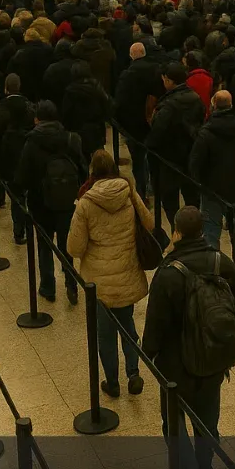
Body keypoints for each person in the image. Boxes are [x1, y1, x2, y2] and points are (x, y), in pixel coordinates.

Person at [142, 206, 235, 469]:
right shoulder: (220, 262)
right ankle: (205, 468)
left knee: (173, 425)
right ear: (201, 231)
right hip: (212, 361)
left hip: (175, 367)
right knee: (207, 423)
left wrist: (150, 354)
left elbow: (155, 324)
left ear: (176, 233)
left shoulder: (167, 273)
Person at [68, 150, 155, 399]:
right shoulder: (128, 190)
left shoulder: (85, 203)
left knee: (104, 334)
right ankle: (134, 373)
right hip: (127, 273)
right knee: (127, 324)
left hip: (100, 283)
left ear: (92, 172)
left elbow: (74, 248)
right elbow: (148, 223)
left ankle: (112, 382)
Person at [15, 100, 86, 304]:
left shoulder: (32, 142)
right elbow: (82, 168)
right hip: (66, 201)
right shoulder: (71, 138)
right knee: (66, 245)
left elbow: (23, 175)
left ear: (37, 119)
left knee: (45, 245)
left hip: (40, 202)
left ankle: (48, 287)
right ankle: (71, 285)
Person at [189, 90, 235, 250]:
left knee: (211, 230)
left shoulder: (205, 133)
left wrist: (198, 183)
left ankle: (212, 268)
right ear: (231, 105)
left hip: (211, 188)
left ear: (213, 106)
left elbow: (195, 162)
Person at [148, 61, 206, 229]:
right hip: (190, 155)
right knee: (192, 197)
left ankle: (177, 230)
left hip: (169, 159)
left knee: (169, 199)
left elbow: (157, 133)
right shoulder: (195, 98)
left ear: (169, 80)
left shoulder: (167, 105)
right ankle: (193, 228)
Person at [0, 74, 35, 244]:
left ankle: (18, 231)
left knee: (15, 194)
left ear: (6, 88)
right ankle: (26, 227)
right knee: (24, 192)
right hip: (26, 154)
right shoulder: (30, 107)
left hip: (7, 156)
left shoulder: (0, 109)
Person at [115, 41, 165, 197]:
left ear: (131, 56)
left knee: (138, 159)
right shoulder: (157, 71)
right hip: (155, 121)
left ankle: (141, 191)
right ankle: (155, 186)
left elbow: (121, 101)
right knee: (154, 156)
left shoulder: (127, 75)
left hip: (134, 124)